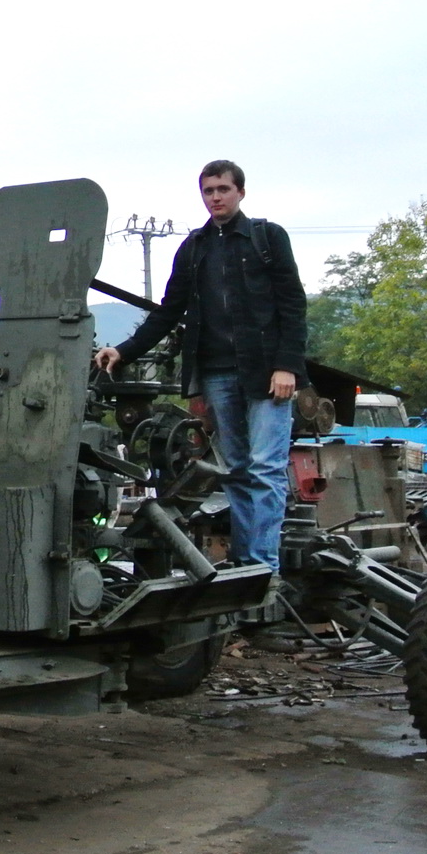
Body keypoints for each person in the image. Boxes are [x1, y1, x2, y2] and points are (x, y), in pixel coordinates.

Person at [94, 159, 308, 574]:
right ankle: (247, 561)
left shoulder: (268, 238)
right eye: (208, 191)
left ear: (240, 192)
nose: (215, 198)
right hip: (218, 373)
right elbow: (168, 311)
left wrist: (288, 367)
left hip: (266, 372)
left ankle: (263, 568)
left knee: (265, 469)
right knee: (238, 472)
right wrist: (124, 351)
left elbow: (293, 306)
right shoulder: (194, 248)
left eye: (223, 189)